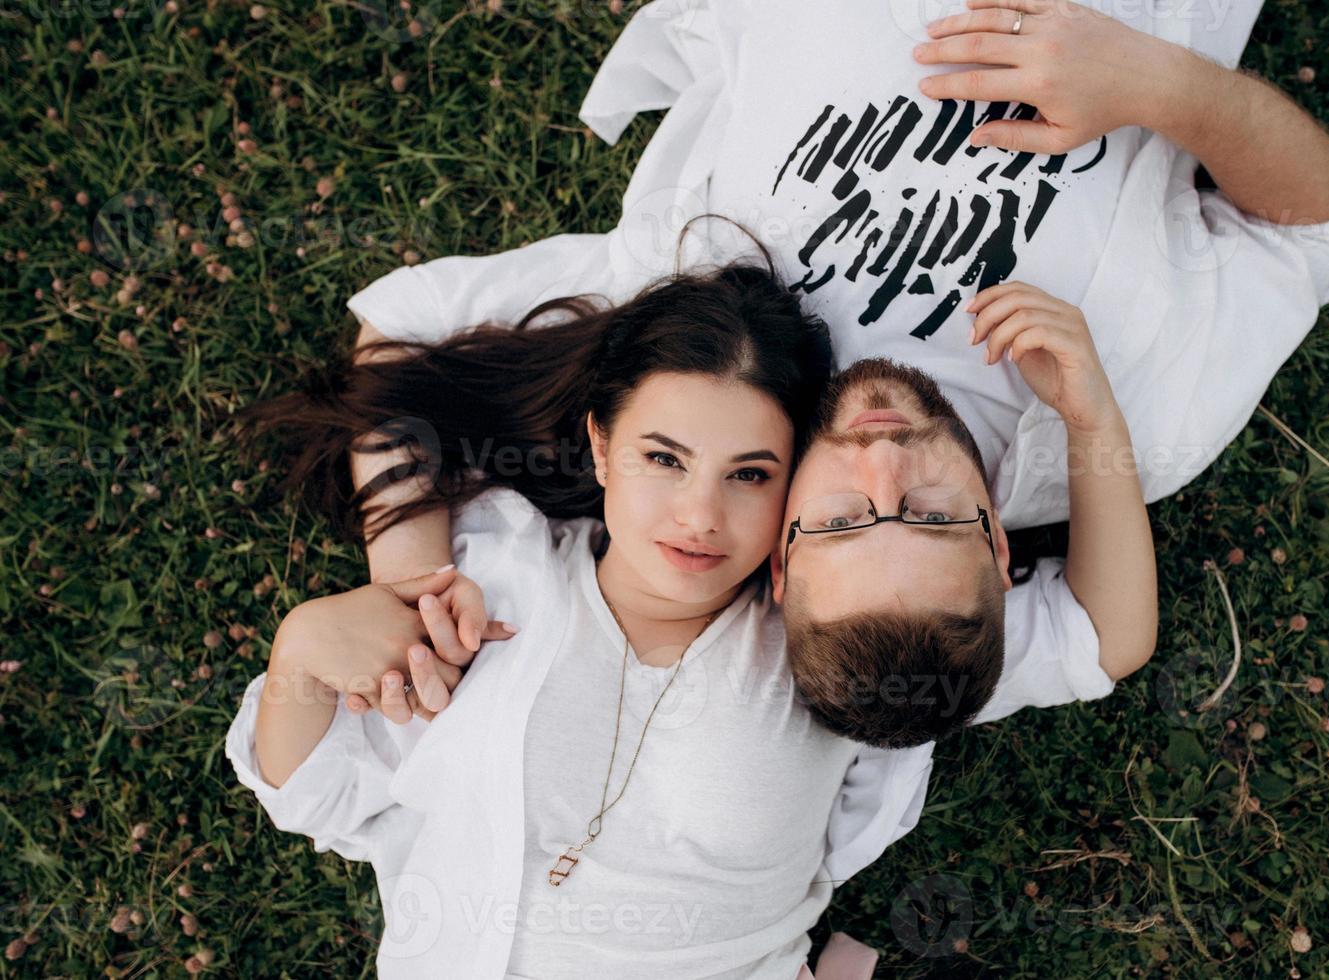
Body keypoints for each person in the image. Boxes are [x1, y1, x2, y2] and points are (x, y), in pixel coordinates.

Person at [334, 0, 1329, 745]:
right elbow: (1319, 220)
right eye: (928, 515)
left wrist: (412, 594)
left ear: (780, 556)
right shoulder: (1140, 413)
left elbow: (401, 326)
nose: (881, 466)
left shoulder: (706, 344)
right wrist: (1154, 82)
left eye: (836, 521)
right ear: (1001, 543)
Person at [227, 253, 1143, 976]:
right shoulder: (487, 582)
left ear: (793, 516)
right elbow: (322, 794)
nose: (701, 517)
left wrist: (1093, 421)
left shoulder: (840, 637)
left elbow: (1104, 638)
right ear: (600, 444)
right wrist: (310, 642)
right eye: (663, 459)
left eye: (751, 475)